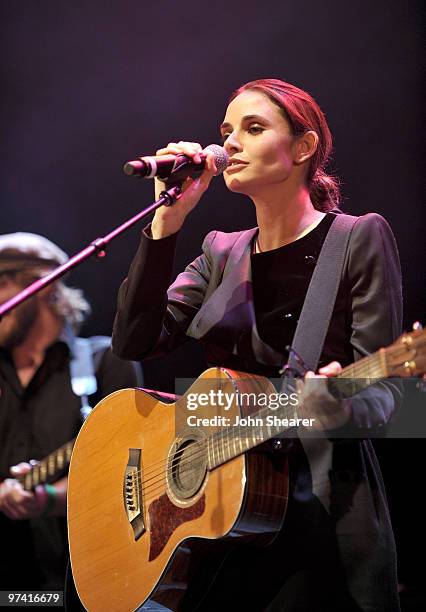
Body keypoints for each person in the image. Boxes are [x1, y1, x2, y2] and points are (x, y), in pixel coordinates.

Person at [112, 79, 402, 611]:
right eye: (226, 131)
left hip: (315, 515)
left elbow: (394, 401)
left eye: (253, 128)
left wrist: (334, 408)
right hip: (212, 515)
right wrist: (167, 222)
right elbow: (134, 341)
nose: (229, 145)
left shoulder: (358, 238)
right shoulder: (219, 251)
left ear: (303, 147)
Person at [0, 232, 142, 593]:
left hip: (78, 586)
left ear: (43, 286)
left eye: (2, 283)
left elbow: (128, 478)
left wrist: (48, 498)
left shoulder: (106, 363)